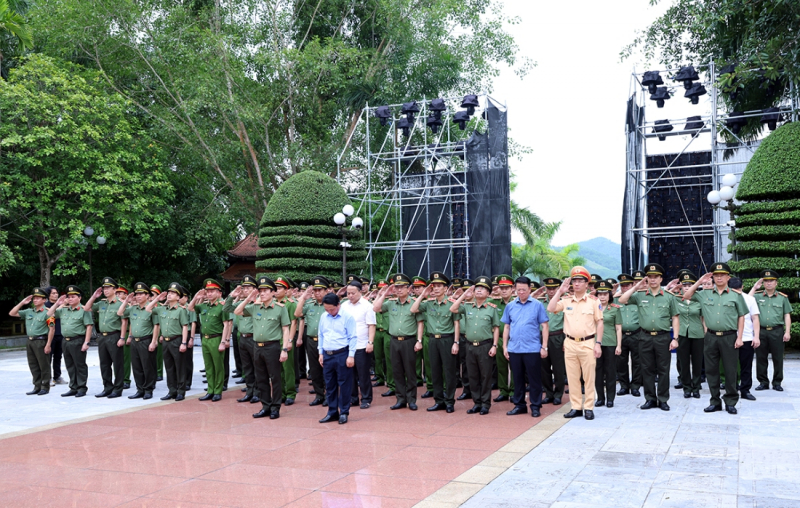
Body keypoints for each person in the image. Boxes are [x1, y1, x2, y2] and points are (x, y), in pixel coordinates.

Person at [681, 262, 748, 414]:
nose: (719, 278)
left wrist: (740, 337)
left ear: (727, 277)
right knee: (711, 370)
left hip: (729, 337)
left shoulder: (735, 295)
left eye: (722, 275)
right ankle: (715, 401)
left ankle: (730, 401)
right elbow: (686, 295)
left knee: (730, 370)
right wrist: (699, 281)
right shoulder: (704, 294)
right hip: (710, 337)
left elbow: (741, 317)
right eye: (716, 275)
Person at [617, 263, 679, 411]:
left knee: (663, 370)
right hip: (644, 337)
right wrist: (636, 286)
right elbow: (621, 300)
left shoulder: (669, 297)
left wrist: (675, 338)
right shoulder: (639, 296)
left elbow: (675, 318)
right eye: (649, 277)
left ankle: (663, 399)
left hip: (663, 337)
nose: (652, 280)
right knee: (647, 369)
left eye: (655, 277)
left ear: (660, 279)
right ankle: (650, 399)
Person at [547, 266, 604, 421]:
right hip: (570, 343)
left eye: (581, 281)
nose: (577, 284)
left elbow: (599, 323)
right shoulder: (565, 300)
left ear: (587, 284)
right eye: (575, 281)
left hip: (588, 343)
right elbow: (551, 308)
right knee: (572, 378)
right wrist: (560, 291)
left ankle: (589, 407)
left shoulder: (593, 301)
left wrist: (598, 343)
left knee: (589, 377)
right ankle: (576, 407)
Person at [235, 276, 291, 420]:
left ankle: (275, 407)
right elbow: (237, 312)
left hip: (272, 347)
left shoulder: (280, 309)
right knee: (261, 378)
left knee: (275, 378)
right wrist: (249, 298)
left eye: (266, 290)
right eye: (260, 291)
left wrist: (284, 349)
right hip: (256, 347)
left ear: (273, 292)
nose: (262, 293)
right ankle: (265, 406)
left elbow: (285, 329)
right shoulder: (255, 307)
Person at [373, 273, 424, 411]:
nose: (399, 290)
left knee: (410, 372)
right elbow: (375, 308)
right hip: (394, 340)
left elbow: (420, 322)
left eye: (402, 287)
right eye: (396, 287)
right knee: (397, 371)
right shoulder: (390, 303)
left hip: (409, 341)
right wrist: (384, 294)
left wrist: (419, 340)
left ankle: (412, 400)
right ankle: (400, 399)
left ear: (409, 288)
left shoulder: (414, 303)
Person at [450, 276, 501, 415]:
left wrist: (494, 345)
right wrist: (463, 296)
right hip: (470, 346)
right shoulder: (467, 306)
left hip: (485, 346)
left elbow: (496, 327)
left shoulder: (492, 309)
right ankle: (476, 403)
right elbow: (453, 309)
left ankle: (485, 404)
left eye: (483, 289)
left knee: (485, 376)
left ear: (488, 293)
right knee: (472, 376)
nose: (479, 290)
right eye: (477, 288)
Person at [410, 272, 460, 413]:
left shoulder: (451, 304)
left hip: (447, 339)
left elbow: (456, 323)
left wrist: (456, 342)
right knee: (434, 371)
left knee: (449, 372)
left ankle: (449, 401)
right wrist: (423, 294)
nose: (436, 288)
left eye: (439, 286)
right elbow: (413, 309)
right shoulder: (428, 303)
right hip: (432, 339)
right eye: (434, 286)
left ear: (446, 288)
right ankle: (439, 401)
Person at [501, 276, 550, 418]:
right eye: (518, 290)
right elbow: (506, 327)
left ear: (530, 289)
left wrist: (544, 347)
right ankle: (519, 405)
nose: (520, 292)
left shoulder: (537, 305)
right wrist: (505, 346)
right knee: (517, 379)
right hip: (514, 348)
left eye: (523, 289)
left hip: (532, 348)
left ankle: (535, 406)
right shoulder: (510, 306)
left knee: (534, 379)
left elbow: (545, 326)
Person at [318, 293, 358, 424]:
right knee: (330, 385)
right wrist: (321, 353)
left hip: (342, 354)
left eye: (332, 309)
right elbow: (321, 335)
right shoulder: (324, 317)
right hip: (327, 354)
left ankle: (344, 412)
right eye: (326, 309)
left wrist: (351, 355)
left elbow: (352, 337)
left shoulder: (347, 317)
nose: (329, 312)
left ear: (338, 305)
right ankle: (332, 411)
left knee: (344, 384)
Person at [47, 286, 94, 397]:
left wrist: (86, 342)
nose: (70, 299)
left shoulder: (84, 310)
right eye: (69, 297)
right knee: (70, 365)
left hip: (78, 340)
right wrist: (58, 303)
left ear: (79, 298)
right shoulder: (63, 310)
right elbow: (49, 314)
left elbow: (89, 326)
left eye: (73, 296)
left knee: (80, 365)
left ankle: (82, 388)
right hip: (65, 341)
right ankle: (73, 387)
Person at [189, 279, 231, 402]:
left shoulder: (222, 307)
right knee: (208, 366)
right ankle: (210, 390)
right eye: (207, 291)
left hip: (216, 338)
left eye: (212, 291)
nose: (209, 293)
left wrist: (223, 342)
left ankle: (218, 391)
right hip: (205, 339)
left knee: (218, 366)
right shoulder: (204, 306)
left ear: (219, 293)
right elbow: (191, 308)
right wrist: (197, 296)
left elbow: (226, 325)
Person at [750, 269, 792, 392]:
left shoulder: (782, 298)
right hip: (761, 331)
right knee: (761, 358)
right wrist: (754, 287)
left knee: (778, 358)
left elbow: (787, 315)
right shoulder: (757, 296)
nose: (769, 283)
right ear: (763, 283)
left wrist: (787, 331)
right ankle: (763, 382)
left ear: (776, 283)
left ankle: (777, 382)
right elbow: (746, 300)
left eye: (771, 281)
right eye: (766, 281)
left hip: (776, 331)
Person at [147, 283, 190, 401]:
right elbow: (148, 308)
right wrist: (157, 298)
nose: (170, 295)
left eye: (173, 293)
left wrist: (184, 343)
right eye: (169, 293)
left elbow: (185, 327)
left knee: (179, 367)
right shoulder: (162, 309)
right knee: (169, 367)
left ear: (178, 297)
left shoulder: (181, 310)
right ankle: (172, 391)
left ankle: (181, 391)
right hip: (165, 342)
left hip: (177, 340)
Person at [84, 277, 126, 398]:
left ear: (115, 289)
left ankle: (118, 389)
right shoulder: (101, 303)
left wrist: (122, 338)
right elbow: (86, 308)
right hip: (102, 337)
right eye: (104, 288)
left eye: (108, 288)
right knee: (104, 364)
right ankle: (107, 387)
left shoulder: (120, 304)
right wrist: (93, 297)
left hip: (114, 335)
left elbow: (124, 322)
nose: (105, 290)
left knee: (117, 364)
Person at [118, 282, 160, 400]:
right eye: (137, 294)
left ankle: (148, 389)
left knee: (148, 366)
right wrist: (126, 301)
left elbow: (156, 326)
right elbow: (120, 313)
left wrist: (154, 341)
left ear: (147, 296)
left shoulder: (152, 309)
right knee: (136, 367)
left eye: (141, 294)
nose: (138, 296)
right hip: (134, 341)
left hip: (146, 340)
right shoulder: (132, 308)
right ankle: (140, 389)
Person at [10, 288, 55, 395]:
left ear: (44, 300)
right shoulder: (29, 312)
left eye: (38, 298)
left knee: (44, 365)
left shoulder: (48, 312)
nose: (35, 300)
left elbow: (52, 329)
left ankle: (45, 386)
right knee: (33, 365)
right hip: (30, 341)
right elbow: (12, 313)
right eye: (34, 298)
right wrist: (22, 302)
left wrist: (48, 344)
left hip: (41, 341)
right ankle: (37, 386)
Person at [223, 276, 260, 404]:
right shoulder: (241, 304)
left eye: (248, 287)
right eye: (244, 288)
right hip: (242, 338)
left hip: (253, 338)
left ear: (255, 289)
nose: (245, 290)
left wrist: (250, 299)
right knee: (247, 367)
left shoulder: (258, 304)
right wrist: (232, 296)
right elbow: (226, 309)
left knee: (257, 367)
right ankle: (249, 391)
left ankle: (258, 392)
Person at [341, 280, 377, 409]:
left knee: (363, 374)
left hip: (362, 345)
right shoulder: (344, 306)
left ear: (360, 292)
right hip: (347, 345)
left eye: (353, 293)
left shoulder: (367, 305)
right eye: (348, 293)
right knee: (349, 374)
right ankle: (353, 398)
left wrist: (370, 342)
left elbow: (371, 325)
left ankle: (366, 398)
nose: (350, 295)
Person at [296, 276, 329, 406]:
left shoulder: (330, 305)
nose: (317, 292)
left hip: (326, 342)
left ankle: (329, 395)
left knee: (326, 369)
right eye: (315, 290)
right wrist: (303, 298)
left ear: (326, 291)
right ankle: (319, 394)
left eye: (320, 290)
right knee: (314, 369)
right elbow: (298, 314)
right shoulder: (309, 305)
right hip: (311, 340)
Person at [675, 270, 705, 399]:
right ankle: (686, 387)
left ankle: (696, 387)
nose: (687, 287)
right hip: (682, 333)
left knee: (697, 362)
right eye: (685, 285)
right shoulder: (675, 298)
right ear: (681, 285)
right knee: (684, 362)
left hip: (697, 333)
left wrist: (706, 333)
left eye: (690, 285)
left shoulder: (699, 298)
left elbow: (703, 318)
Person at [729, 277, 759, 401]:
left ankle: (745, 389)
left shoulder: (750, 299)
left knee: (746, 365)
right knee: (730, 366)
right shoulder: (725, 298)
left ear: (742, 287)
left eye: (738, 289)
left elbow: (755, 318)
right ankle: (732, 389)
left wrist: (756, 336)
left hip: (746, 337)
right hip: (729, 337)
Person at [594, 281, 621, 408]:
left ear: (609, 295)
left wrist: (619, 345)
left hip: (610, 343)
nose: (602, 297)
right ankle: (600, 398)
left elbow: (618, 329)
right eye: (600, 294)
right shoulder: (592, 308)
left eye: (605, 294)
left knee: (610, 371)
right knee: (597, 371)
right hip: (595, 344)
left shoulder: (615, 309)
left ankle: (610, 398)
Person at [615, 273, 642, 397]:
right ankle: (624, 386)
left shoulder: (638, 298)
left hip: (636, 334)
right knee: (621, 362)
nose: (625, 287)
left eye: (627, 285)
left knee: (637, 361)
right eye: (623, 285)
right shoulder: (615, 300)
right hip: (621, 336)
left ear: (633, 285)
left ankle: (635, 386)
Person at [541, 277, 566, 405]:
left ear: (558, 289)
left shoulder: (564, 302)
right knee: (544, 368)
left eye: (553, 288)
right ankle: (548, 393)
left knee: (558, 368)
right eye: (549, 288)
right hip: (542, 338)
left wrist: (565, 340)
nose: (551, 291)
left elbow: (568, 322)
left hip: (558, 336)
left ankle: (558, 394)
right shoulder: (540, 302)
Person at [490, 274, 516, 403]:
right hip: (499, 338)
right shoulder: (494, 303)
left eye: (507, 288)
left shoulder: (517, 302)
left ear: (512, 289)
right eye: (502, 288)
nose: (504, 290)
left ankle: (514, 391)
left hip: (515, 339)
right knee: (501, 366)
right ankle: (503, 391)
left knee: (515, 366)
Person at [274, 276, 298, 406]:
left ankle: (290, 393)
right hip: (274, 340)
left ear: (286, 290)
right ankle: (281, 393)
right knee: (277, 369)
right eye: (275, 288)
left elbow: (293, 323)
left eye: (279, 288)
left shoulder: (290, 304)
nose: (276, 291)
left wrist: (289, 340)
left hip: (285, 339)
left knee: (288, 368)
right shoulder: (272, 303)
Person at [372, 280, 396, 397]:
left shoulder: (391, 302)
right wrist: (379, 295)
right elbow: (374, 307)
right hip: (378, 332)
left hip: (388, 333)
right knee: (378, 357)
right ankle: (380, 377)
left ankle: (392, 383)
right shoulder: (379, 300)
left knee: (389, 359)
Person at [411, 276, 433, 397]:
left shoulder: (431, 300)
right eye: (415, 288)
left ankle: (435, 385)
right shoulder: (417, 301)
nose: (417, 290)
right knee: (417, 360)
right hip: (418, 333)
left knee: (430, 362)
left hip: (430, 334)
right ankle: (424, 383)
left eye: (419, 287)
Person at [44, 287, 66, 386]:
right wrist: (62, 304)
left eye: (56, 293)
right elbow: (52, 314)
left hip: (60, 334)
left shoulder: (62, 306)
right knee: (48, 357)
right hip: (50, 335)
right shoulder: (46, 305)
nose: (55, 295)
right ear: (48, 295)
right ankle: (47, 378)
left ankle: (57, 377)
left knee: (58, 357)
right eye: (53, 293)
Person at [116, 285, 132, 390]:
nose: (117, 295)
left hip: (125, 334)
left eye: (120, 293)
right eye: (116, 293)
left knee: (125, 358)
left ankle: (126, 379)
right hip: (115, 333)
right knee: (116, 358)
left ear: (125, 295)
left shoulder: (128, 306)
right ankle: (117, 379)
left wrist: (130, 336)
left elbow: (131, 323)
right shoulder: (114, 305)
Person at [149, 285, 165, 381]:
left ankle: (159, 372)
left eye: (153, 294)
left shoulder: (161, 307)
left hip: (158, 333)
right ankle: (152, 372)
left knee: (159, 355)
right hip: (148, 333)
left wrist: (162, 334)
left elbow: (162, 323)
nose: (151, 296)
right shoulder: (148, 306)